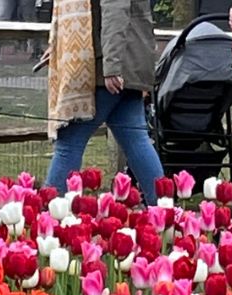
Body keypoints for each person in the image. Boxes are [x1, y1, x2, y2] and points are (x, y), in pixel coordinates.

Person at [43, 0, 164, 198]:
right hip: (127, 65)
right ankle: (165, 213)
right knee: (135, 140)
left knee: (69, 141)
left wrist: (112, 66)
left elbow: (115, 12)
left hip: (105, 69)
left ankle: (48, 213)